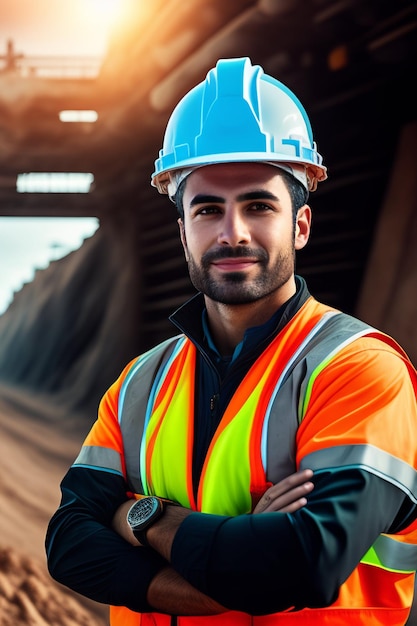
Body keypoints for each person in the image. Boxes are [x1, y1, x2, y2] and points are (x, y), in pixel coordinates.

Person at [45, 57, 417, 625]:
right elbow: (68, 546)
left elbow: (303, 566)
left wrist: (140, 519)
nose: (232, 232)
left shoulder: (360, 370)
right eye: (208, 209)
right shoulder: (138, 384)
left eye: (259, 205)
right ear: (184, 232)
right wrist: (236, 563)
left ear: (301, 225)